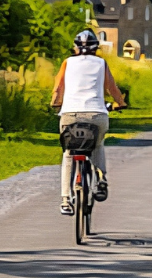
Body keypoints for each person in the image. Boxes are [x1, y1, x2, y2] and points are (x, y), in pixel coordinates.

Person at [50, 29, 128, 215]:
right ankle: (101, 178)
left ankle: (65, 200)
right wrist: (121, 103)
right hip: (97, 115)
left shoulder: (67, 63)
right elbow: (112, 88)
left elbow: (58, 87)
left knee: (69, 153)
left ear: (75, 47)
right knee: (98, 143)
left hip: (70, 114)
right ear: (95, 48)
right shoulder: (101, 63)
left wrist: (55, 103)